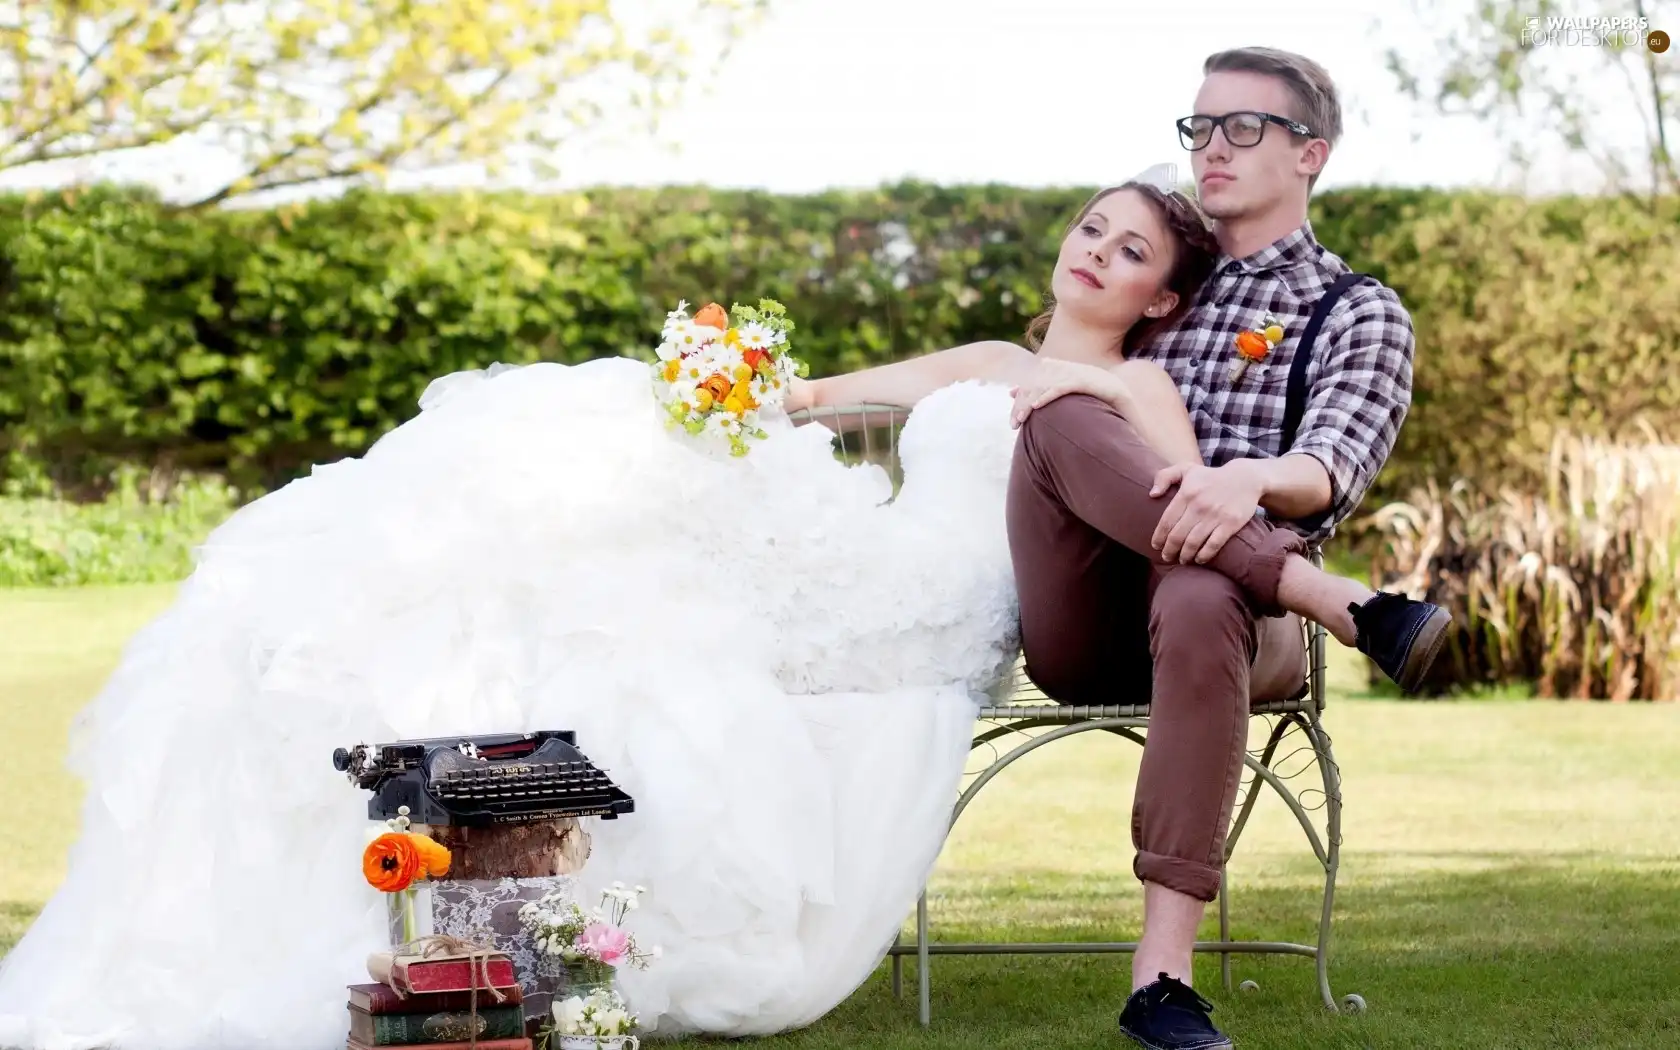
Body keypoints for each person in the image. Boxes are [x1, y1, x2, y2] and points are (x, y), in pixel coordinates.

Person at [787, 46, 1444, 1050]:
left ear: (1311, 152)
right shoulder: (1152, 281)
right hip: (1085, 612)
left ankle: (1164, 979)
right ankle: (1347, 604)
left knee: (1196, 593)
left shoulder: (1351, 310)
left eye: (1243, 127)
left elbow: (1331, 462)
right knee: (1053, 408)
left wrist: (1247, 477)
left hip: (1240, 624)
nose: (1211, 148)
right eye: (1200, 127)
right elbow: (870, 396)